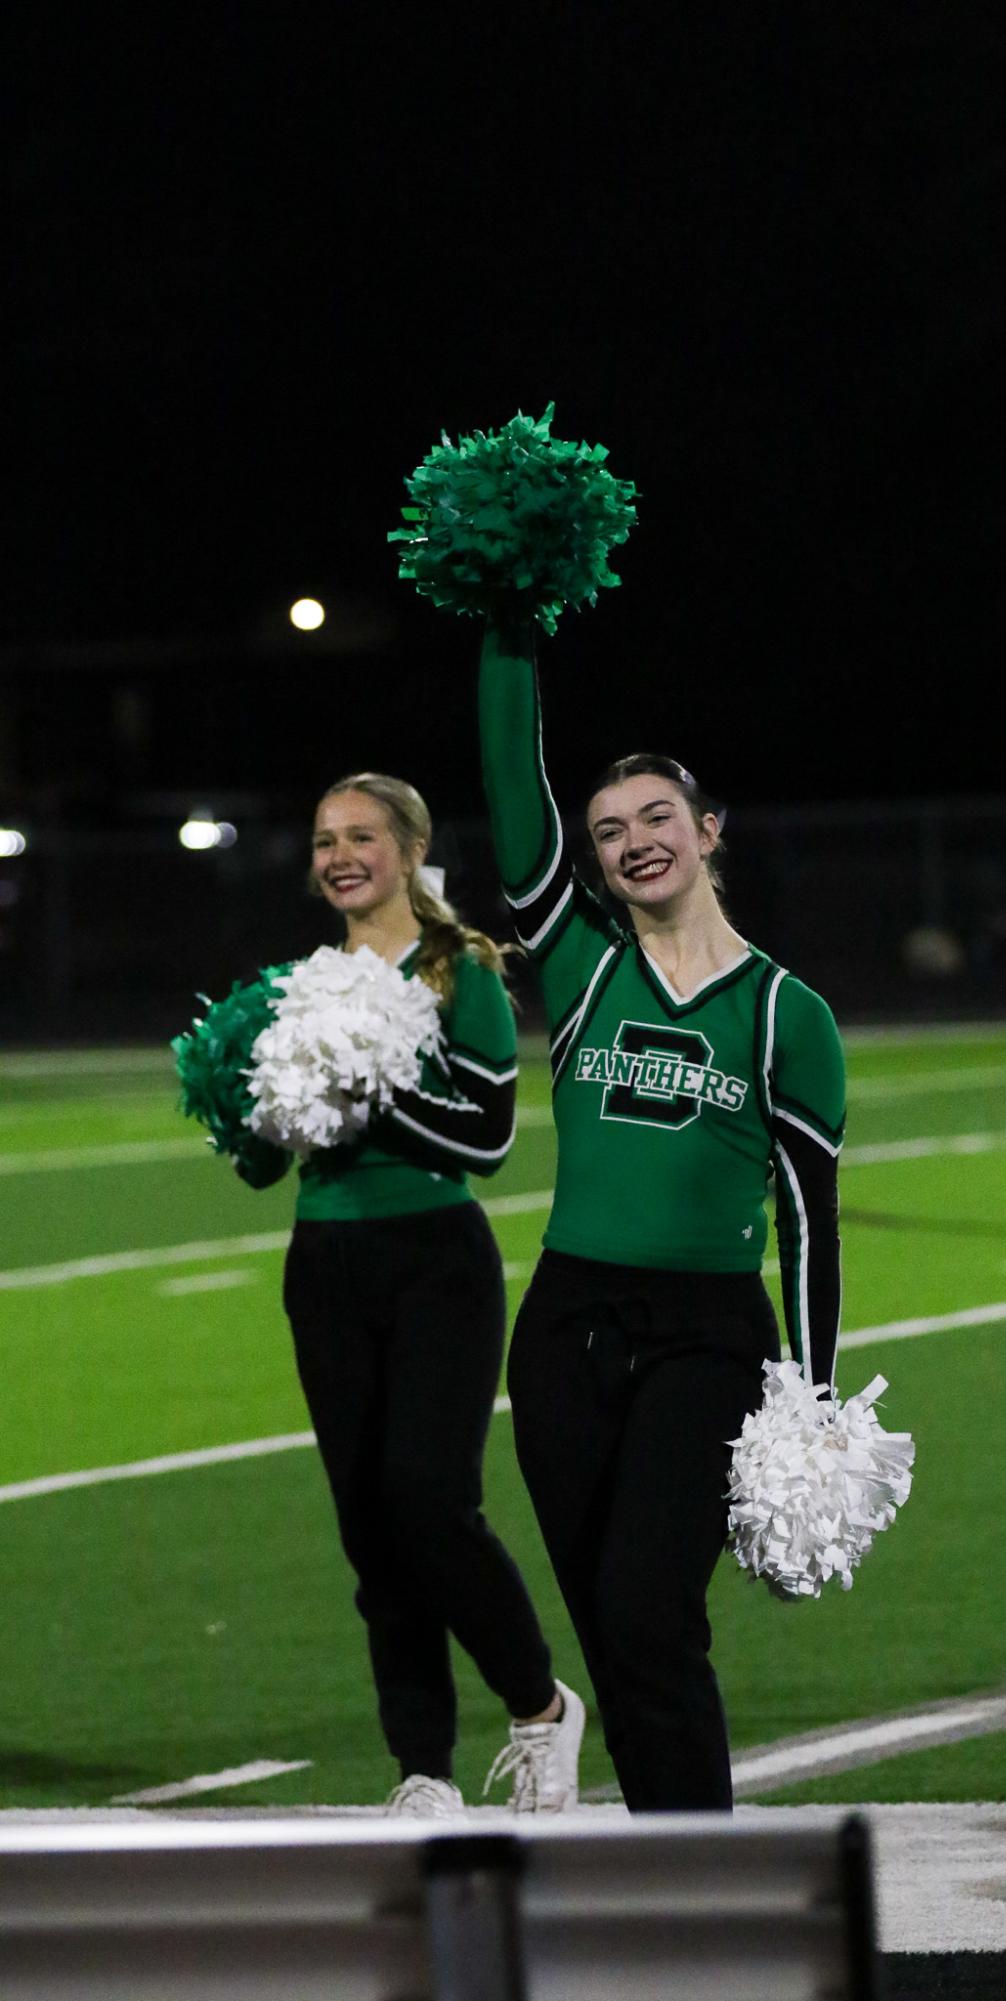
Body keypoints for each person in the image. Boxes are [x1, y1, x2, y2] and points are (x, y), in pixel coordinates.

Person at [477, 618, 846, 1812]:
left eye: (654, 818)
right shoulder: (584, 966)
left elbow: (806, 1216)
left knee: (648, 1609)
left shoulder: (788, 1012)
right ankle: (658, 1869)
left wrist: (813, 1390)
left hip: (706, 1338)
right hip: (565, 1328)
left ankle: (704, 1872)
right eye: (607, 831)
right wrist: (508, 626)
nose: (633, 842)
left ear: (705, 831)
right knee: (605, 1626)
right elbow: (512, 788)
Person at [234, 771, 584, 1815]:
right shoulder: (297, 985)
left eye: (362, 837)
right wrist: (255, 1105)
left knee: (429, 1502)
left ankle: (539, 1706)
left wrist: (367, 1095)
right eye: (324, 837)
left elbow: (486, 1139)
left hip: (435, 1257)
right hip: (326, 1262)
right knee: (368, 1530)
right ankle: (422, 1770)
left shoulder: (458, 968)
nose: (340, 855)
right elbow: (261, 1165)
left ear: (409, 849)